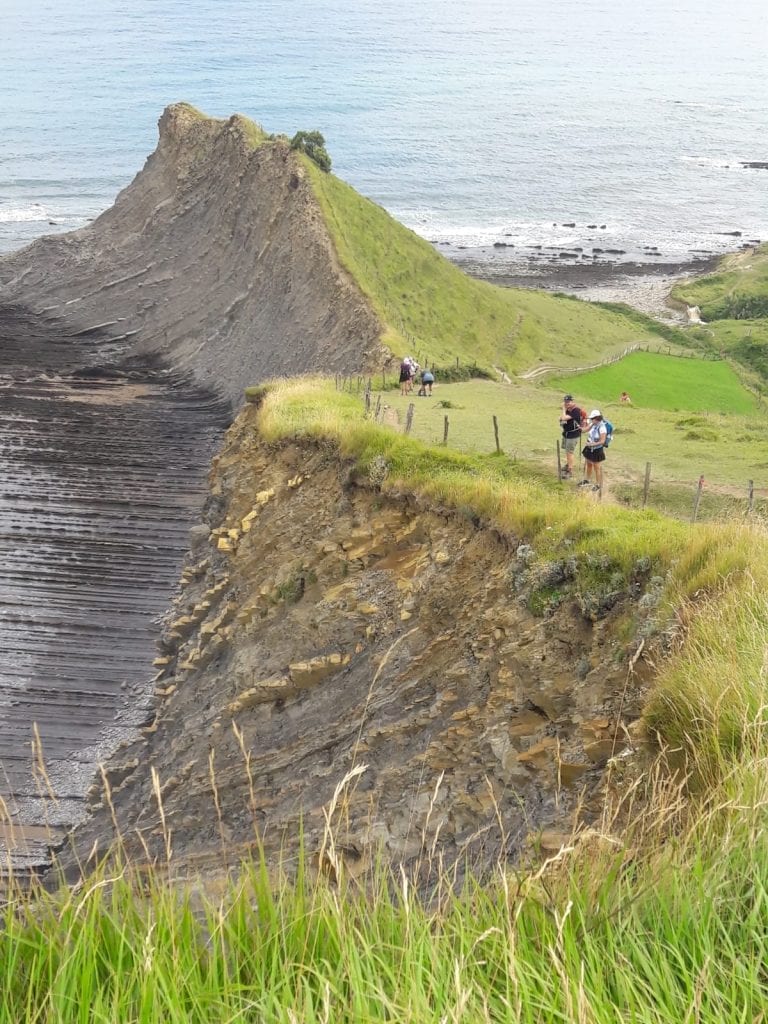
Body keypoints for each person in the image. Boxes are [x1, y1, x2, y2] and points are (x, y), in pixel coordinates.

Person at [579, 410, 607, 492]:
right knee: (589, 464)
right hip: (589, 447)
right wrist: (580, 428)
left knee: (597, 467)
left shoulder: (602, 428)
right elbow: (585, 430)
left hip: (596, 449)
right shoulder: (593, 424)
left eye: (592, 418)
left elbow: (602, 441)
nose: (591, 420)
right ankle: (587, 480)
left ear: (597, 418)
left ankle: (598, 484)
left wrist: (593, 444)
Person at [558, 394, 586, 479]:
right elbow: (562, 419)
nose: (567, 403)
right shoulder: (568, 410)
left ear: (572, 401)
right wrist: (562, 417)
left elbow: (564, 418)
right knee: (567, 452)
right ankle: (568, 465)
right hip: (567, 433)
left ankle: (570, 471)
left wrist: (563, 410)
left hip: (573, 435)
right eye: (565, 402)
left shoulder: (576, 410)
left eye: (568, 402)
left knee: (569, 452)